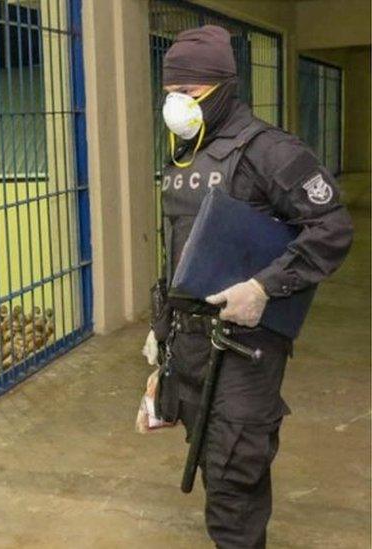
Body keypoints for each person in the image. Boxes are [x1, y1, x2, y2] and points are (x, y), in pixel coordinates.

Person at [150, 25, 353, 548]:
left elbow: (332, 227)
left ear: (222, 90)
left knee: (234, 466)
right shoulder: (184, 155)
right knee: (212, 457)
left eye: (189, 95)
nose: (176, 105)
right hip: (192, 341)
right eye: (169, 93)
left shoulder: (270, 151)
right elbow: (178, 248)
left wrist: (264, 287)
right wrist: (162, 336)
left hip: (246, 343)